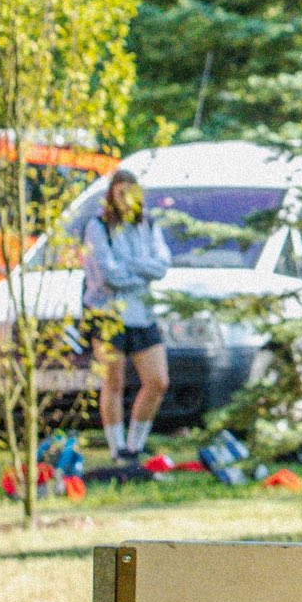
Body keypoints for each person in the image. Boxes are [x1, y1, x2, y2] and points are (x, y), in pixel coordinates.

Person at [81, 169, 172, 465]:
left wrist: (131, 265)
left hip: (142, 313)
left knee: (157, 381)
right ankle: (117, 448)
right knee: (114, 382)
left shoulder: (148, 224)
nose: (125, 199)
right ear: (111, 195)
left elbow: (162, 265)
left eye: (130, 192)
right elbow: (110, 274)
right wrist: (142, 271)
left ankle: (135, 444)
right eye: (120, 193)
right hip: (109, 314)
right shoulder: (98, 227)